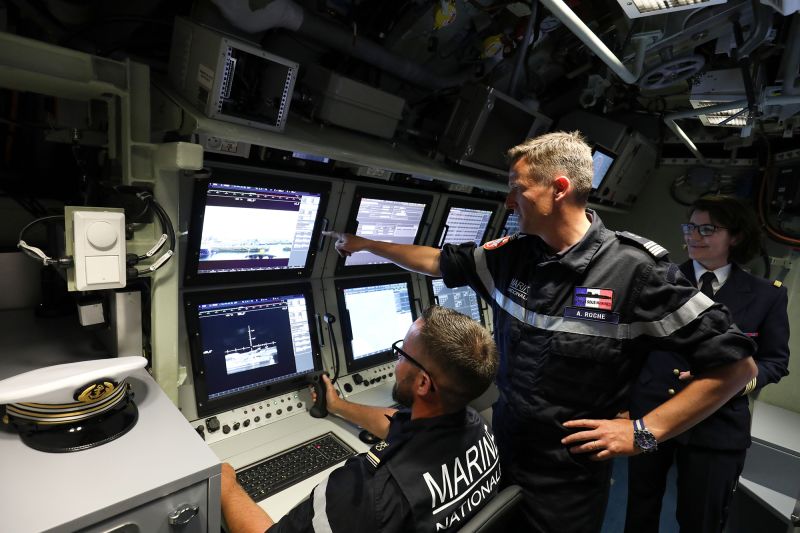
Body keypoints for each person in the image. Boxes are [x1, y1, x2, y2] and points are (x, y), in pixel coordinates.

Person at [322, 130, 758, 532]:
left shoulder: (636, 272)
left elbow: (737, 368)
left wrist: (644, 432)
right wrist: (367, 246)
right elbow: (437, 262)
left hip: (566, 481)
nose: (509, 201)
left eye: (518, 188)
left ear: (559, 189)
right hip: (501, 451)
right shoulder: (512, 256)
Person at [220, 306, 501, 533]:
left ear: (423, 384)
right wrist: (338, 405)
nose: (396, 363)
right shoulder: (478, 427)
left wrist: (227, 488)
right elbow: (396, 422)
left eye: (402, 353)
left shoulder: (368, 493)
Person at [625, 195, 790, 533]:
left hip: (717, 423)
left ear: (736, 236)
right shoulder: (657, 281)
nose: (693, 236)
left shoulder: (766, 295)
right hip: (653, 413)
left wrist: (735, 383)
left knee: (702, 519)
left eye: (707, 229)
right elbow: (631, 346)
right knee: (640, 508)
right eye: (690, 227)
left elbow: (775, 360)